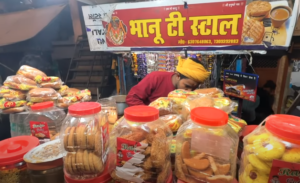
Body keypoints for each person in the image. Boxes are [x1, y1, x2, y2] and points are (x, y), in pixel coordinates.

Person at [126, 57, 210, 106]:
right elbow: (132, 98)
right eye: (187, 86)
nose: (189, 91)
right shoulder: (155, 78)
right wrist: (151, 114)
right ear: (178, 76)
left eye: (194, 88)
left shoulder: (191, 93)